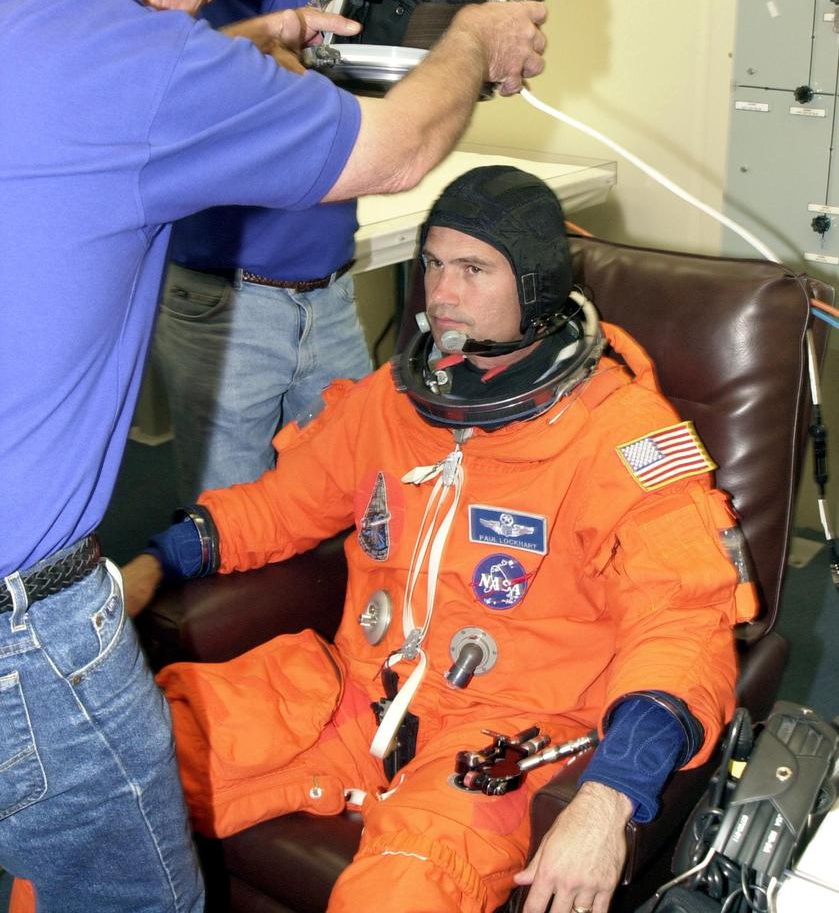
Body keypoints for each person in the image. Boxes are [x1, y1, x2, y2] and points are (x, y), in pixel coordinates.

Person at [0, 0, 545, 913]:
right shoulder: (131, 60)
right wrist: (471, 37)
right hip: (21, 633)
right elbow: (394, 150)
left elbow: (97, 106)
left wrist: (260, 38)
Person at [124, 165, 752, 913]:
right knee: (110, 781)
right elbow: (278, 507)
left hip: (502, 739)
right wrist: (153, 561)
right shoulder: (391, 401)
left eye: (472, 269)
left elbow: (681, 621)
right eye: (432, 263)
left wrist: (607, 798)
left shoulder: (621, 439)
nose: (439, 292)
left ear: (536, 284)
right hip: (352, 693)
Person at [153, 0, 372, 497]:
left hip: (331, 294)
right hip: (223, 309)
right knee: (229, 516)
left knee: (353, 503)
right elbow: (149, 85)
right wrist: (258, 39)